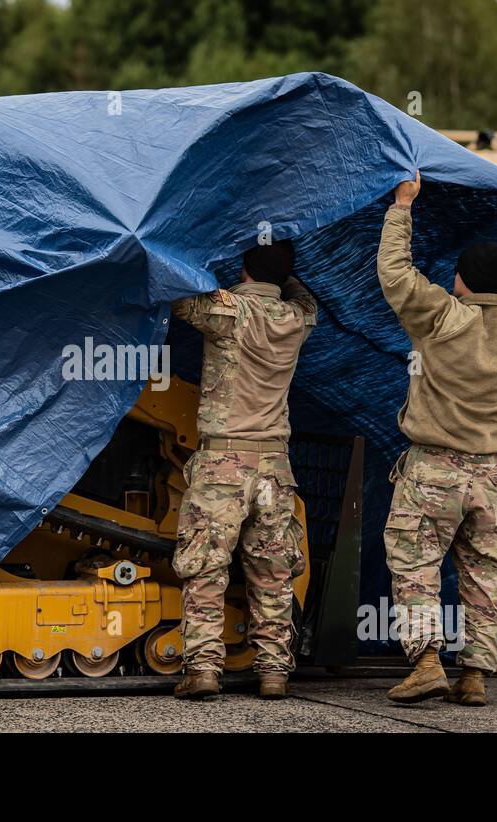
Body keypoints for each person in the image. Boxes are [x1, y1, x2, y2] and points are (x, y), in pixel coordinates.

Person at [377, 171, 497, 706]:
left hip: (432, 472)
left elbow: (394, 273)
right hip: (490, 477)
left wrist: (403, 205)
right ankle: (475, 675)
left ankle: (427, 663)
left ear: (459, 279)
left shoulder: (441, 317)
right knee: (486, 577)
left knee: (416, 566)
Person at [170, 238, 318, 701]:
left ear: (245, 268)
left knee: (205, 568)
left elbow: (176, 293)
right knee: (273, 571)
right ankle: (274, 673)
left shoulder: (229, 312)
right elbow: (308, 299)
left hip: (222, 464)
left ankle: (204, 670)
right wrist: (279, 275)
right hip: (274, 465)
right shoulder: (297, 319)